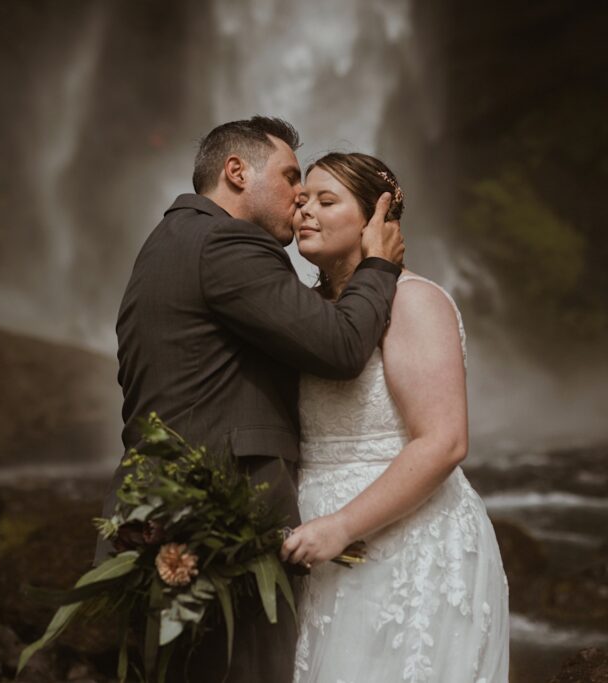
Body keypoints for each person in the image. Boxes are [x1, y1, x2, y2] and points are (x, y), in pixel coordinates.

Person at [94, 117, 405, 682]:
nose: (300, 198)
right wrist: (380, 266)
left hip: (163, 513)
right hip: (220, 516)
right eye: (291, 179)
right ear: (236, 172)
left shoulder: (168, 241)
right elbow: (339, 346)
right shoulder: (225, 241)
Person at [281, 152, 510, 683]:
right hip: (312, 547)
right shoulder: (307, 309)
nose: (305, 212)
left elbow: (444, 442)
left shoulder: (415, 302)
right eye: (302, 201)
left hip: (402, 543)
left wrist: (341, 526)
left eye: (326, 200)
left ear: (377, 218)